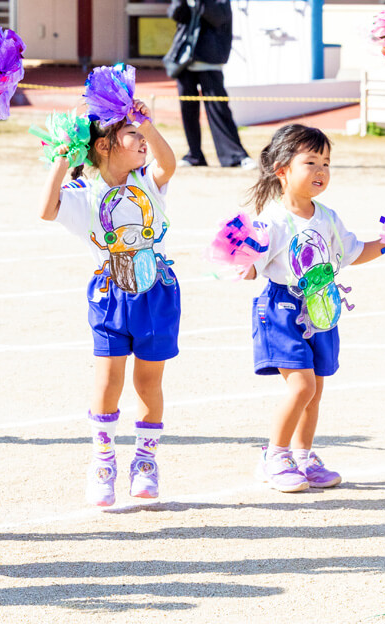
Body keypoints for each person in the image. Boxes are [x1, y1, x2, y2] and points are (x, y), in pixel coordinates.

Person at [38, 99, 179, 507]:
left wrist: (148, 125)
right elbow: (47, 210)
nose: (142, 142)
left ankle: (146, 460)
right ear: (103, 145)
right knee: (108, 380)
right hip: (109, 294)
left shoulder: (147, 179)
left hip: (157, 291)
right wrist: (62, 158)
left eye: (142, 135)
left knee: (149, 382)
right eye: (132, 134)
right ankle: (103, 463)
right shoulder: (84, 191)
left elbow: (168, 164)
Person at [244, 124, 385, 492]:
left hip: (321, 307)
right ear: (282, 170)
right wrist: (237, 259)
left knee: (315, 388)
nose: (321, 170)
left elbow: (354, 253)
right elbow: (250, 267)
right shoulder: (271, 220)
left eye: (326, 162)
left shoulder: (328, 217)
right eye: (310, 162)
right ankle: (274, 456)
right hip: (281, 309)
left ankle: (303, 456)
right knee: (302, 385)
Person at [167, 0, 254, 169]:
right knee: (188, 110)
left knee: (219, 109)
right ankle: (194, 155)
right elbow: (176, 15)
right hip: (184, 62)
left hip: (210, 60)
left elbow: (219, 17)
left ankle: (235, 156)